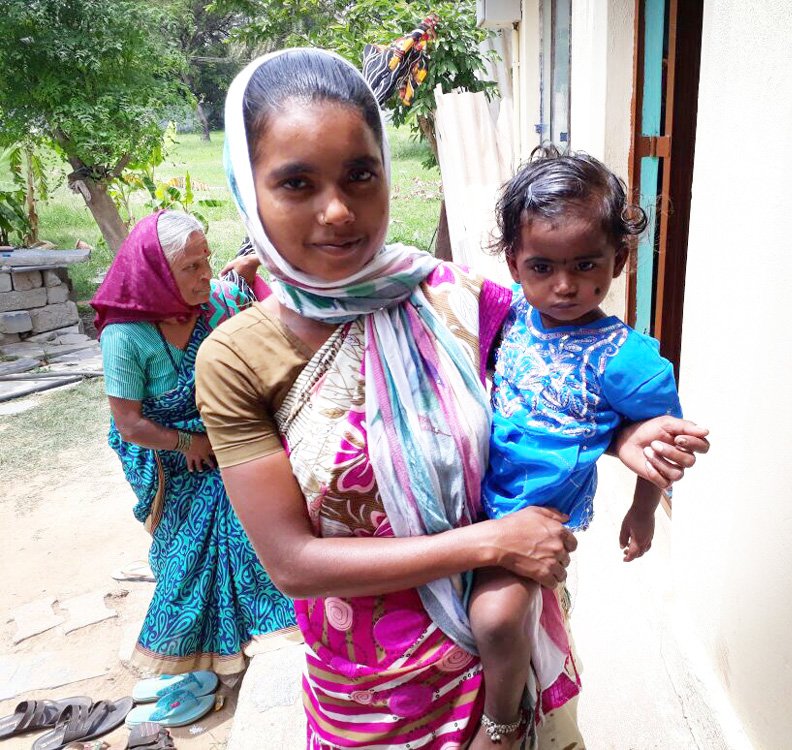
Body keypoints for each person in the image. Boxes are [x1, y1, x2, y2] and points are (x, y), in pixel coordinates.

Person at [195, 48, 709, 749]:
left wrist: (624, 437)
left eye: (360, 174)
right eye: (296, 183)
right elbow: (293, 563)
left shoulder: (457, 301)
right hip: (373, 690)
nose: (338, 210)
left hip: (510, 652)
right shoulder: (237, 359)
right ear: (248, 188)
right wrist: (494, 540)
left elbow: (556, 378)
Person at [467, 149, 683, 748]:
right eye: (542, 267)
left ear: (619, 260)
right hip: (467, 499)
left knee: (496, 617)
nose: (564, 286)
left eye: (586, 265)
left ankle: (501, 724)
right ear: (515, 263)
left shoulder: (627, 358)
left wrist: (643, 510)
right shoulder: (510, 315)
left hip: (531, 518)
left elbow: (661, 441)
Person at [92, 210, 297, 676]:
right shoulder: (125, 337)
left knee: (256, 498)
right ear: (159, 274)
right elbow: (129, 424)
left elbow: (263, 317)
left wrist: (250, 271)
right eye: (191, 267)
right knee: (209, 525)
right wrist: (189, 442)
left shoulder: (216, 303)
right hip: (164, 453)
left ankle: (260, 619)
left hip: (221, 438)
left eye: (206, 260)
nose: (205, 273)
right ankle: (201, 643)